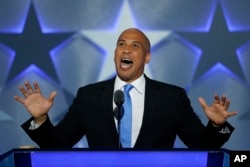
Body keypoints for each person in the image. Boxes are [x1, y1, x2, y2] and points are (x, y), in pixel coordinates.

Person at [15, 28, 237, 149]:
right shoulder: (89, 96)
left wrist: (217, 126)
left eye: (135, 45)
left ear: (147, 57)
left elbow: (201, 146)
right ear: (115, 55)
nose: (126, 49)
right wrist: (42, 120)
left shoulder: (172, 97)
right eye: (121, 44)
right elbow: (59, 145)